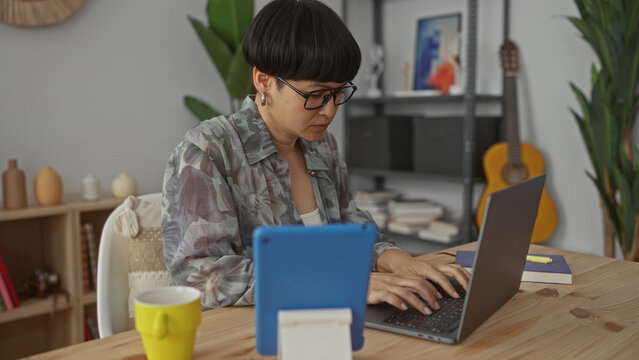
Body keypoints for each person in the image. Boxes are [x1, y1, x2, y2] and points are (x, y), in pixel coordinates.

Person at [162, 0, 469, 316]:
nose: (330, 110)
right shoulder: (209, 151)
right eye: (316, 95)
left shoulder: (322, 147)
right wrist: (343, 282)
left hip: (329, 318)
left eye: (339, 93)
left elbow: (351, 224)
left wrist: (396, 260)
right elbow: (200, 276)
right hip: (251, 333)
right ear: (264, 80)